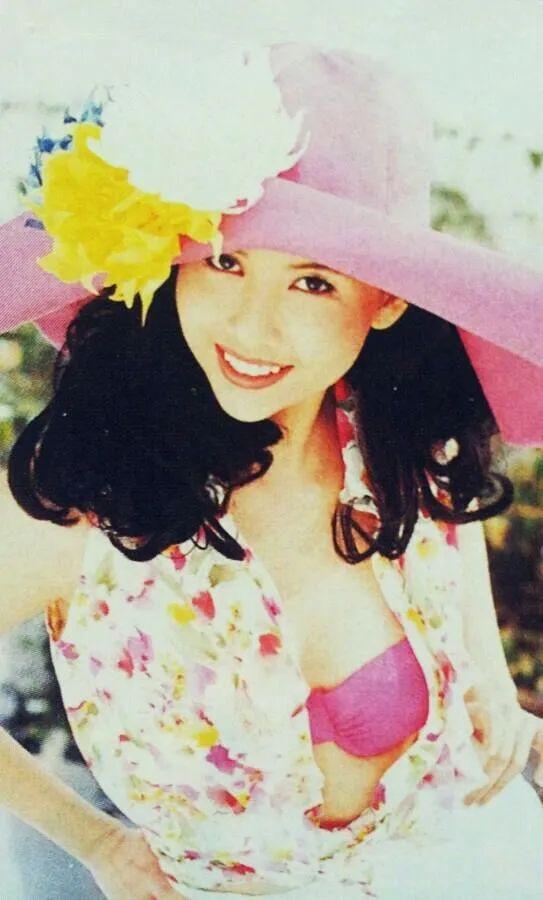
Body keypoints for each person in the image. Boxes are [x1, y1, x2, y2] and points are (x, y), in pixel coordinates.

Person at [0, 40, 543, 899]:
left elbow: (447, 528)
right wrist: (91, 840)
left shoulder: (400, 446)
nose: (252, 326)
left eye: (313, 283)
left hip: (472, 864)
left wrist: (487, 677)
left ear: (386, 300)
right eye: (224, 262)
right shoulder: (87, 492)